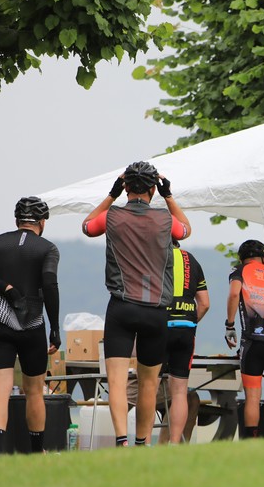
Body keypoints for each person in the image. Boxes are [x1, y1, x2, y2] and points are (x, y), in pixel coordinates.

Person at [82, 161, 191, 446]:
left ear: (125, 187)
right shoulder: (165, 219)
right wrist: (169, 196)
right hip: (156, 310)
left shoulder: (112, 216)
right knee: (149, 384)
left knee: (117, 383)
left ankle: (122, 441)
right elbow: (186, 230)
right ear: (154, 189)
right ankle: (142, 442)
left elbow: (87, 226)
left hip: (121, 307)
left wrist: (111, 195)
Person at [0, 197, 60, 454]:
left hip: (0, 324)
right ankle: (36, 452)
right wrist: (55, 328)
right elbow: (49, 284)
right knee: (34, 391)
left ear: (17, 220)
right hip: (32, 326)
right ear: (42, 222)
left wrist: (5, 288)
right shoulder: (48, 248)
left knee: (0, 391)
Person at [226, 239, 264, 438]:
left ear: (241, 259)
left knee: (252, 396)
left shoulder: (239, 271)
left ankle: (252, 441)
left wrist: (229, 325)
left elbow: (234, 294)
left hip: (253, 340)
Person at [164, 244, 210, 443]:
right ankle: (175, 444)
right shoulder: (191, 259)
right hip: (186, 327)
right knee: (180, 392)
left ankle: (144, 442)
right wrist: (190, 322)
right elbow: (205, 303)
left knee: (148, 386)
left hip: (159, 326)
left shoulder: (154, 255)